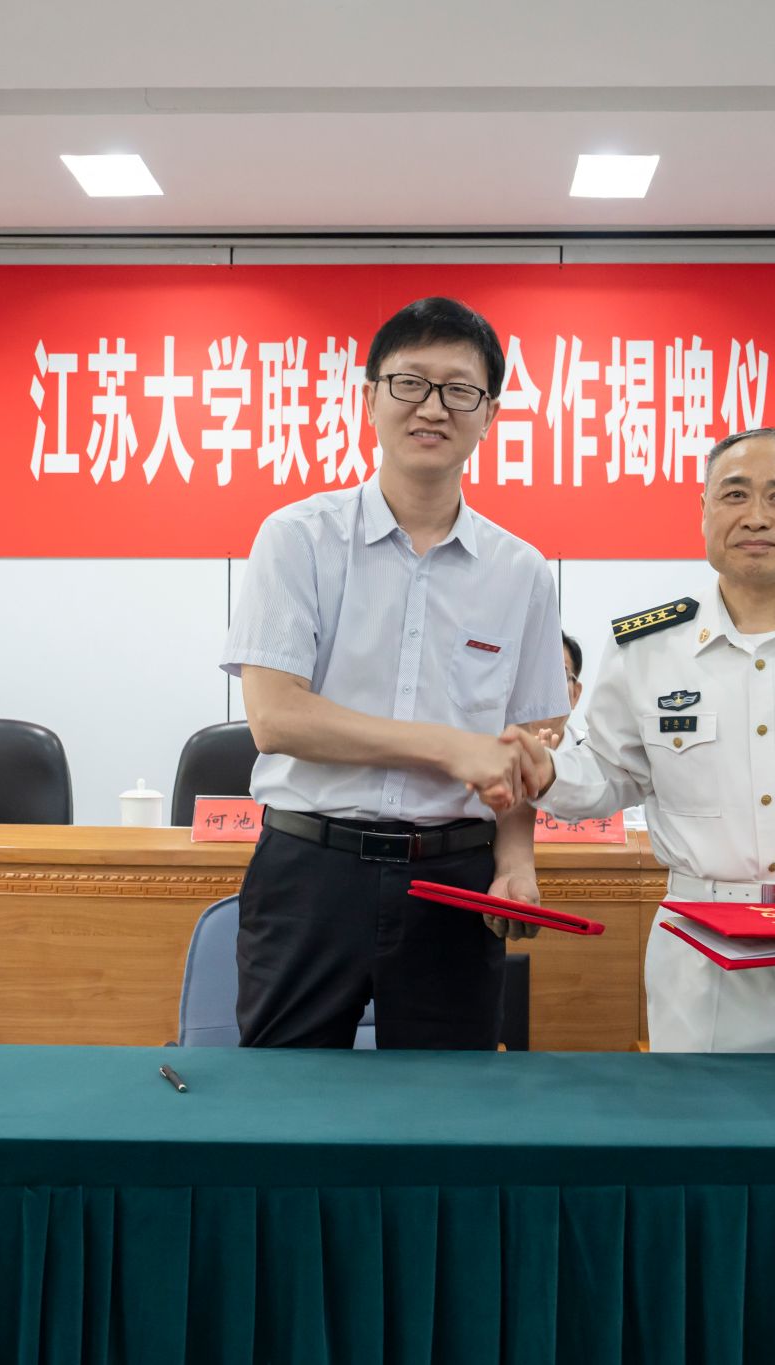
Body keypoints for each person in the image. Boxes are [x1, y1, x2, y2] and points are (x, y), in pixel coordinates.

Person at [504, 428, 775, 1054]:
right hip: (703, 954)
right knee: (706, 1118)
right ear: (705, 510)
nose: (756, 517)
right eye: (735, 494)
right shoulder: (647, 649)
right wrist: (548, 772)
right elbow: (608, 775)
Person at [221, 297, 570, 1050]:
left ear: (490, 414)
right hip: (309, 871)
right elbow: (276, 719)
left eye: (460, 390)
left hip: (454, 878)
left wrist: (515, 861)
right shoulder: (298, 539)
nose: (433, 407)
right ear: (370, 397)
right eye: (410, 383)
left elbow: (527, 743)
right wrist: (449, 747)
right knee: (284, 1097)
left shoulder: (521, 572)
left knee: (448, 1105)